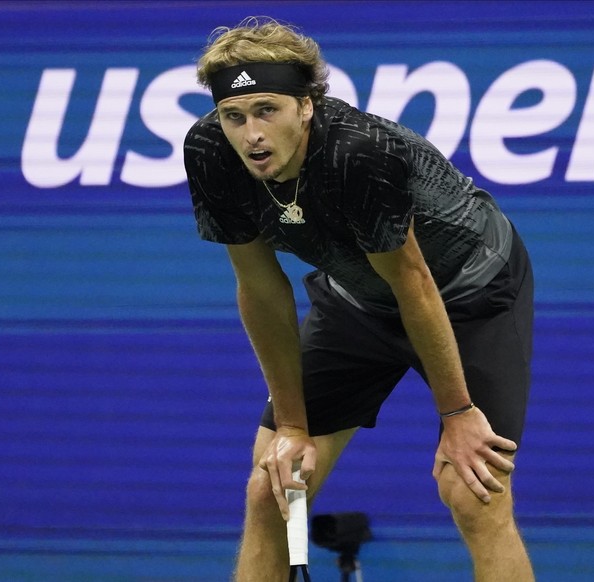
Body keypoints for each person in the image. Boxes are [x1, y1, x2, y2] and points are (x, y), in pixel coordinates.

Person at [184, 16, 535, 582]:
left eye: (267, 110)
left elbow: (413, 283)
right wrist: (293, 427)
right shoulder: (211, 153)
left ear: (306, 105)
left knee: (473, 491)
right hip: (356, 301)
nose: (250, 134)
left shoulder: (359, 154)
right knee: (271, 488)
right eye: (235, 115)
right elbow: (260, 287)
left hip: (470, 293)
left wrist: (457, 412)